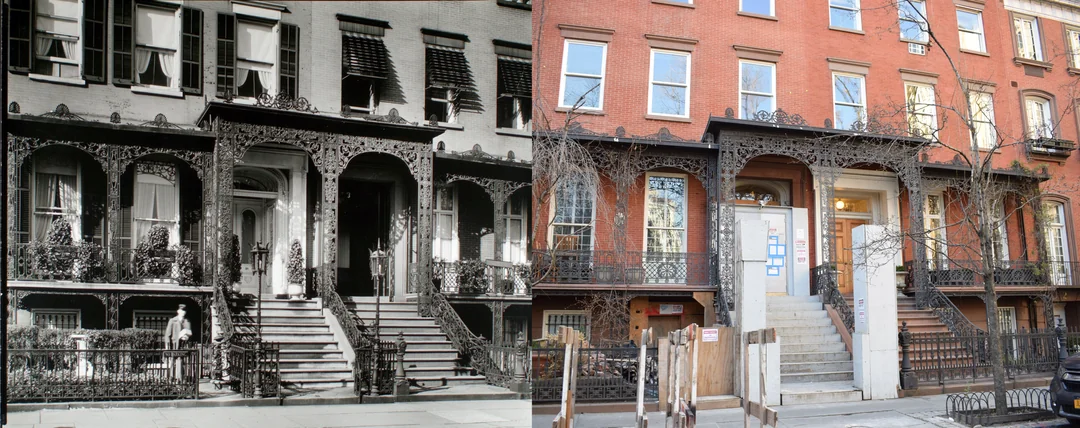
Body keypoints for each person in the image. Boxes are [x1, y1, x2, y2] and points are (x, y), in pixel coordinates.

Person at [164, 304, 192, 381]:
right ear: (178, 311)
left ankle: (180, 378)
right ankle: (171, 377)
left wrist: (186, 337)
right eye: (181, 310)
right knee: (172, 361)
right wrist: (167, 346)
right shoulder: (172, 320)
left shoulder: (187, 321)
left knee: (181, 360)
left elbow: (189, 332)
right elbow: (168, 334)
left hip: (183, 344)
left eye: (184, 311)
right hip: (174, 344)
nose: (183, 312)